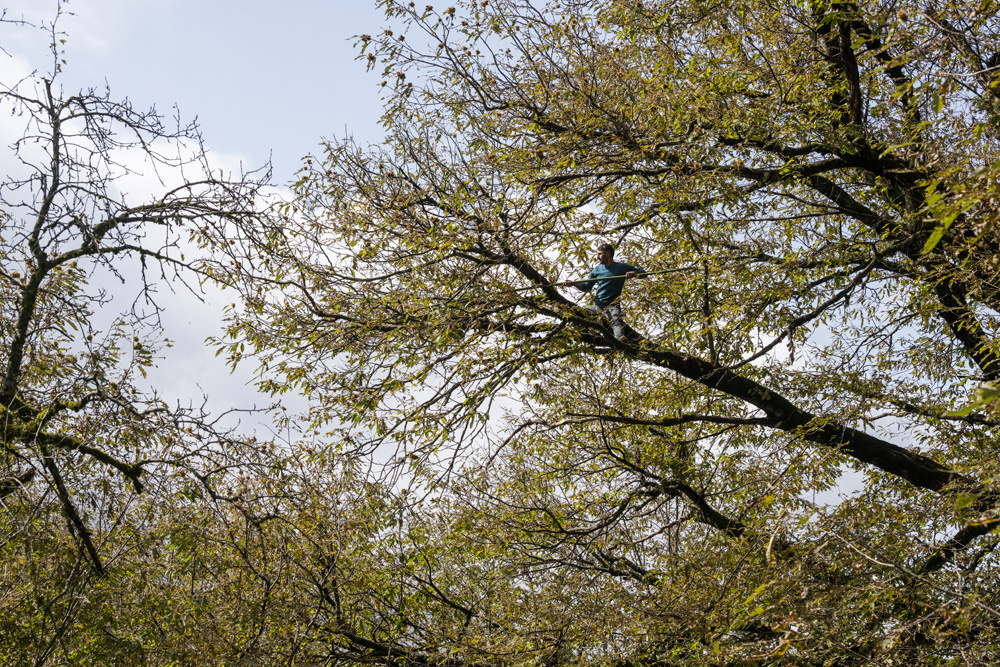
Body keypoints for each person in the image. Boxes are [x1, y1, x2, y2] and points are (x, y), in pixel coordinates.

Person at [568, 242, 645, 341]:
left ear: (607, 254)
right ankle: (585, 334)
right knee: (578, 312)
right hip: (598, 306)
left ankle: (620, 339)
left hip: (613, 305)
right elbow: (586, 287)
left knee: (616, 320)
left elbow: (644, 273)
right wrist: (573, 283)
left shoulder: (621, 267)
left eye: (599, 254)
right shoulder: (597, 269)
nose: (597, 257)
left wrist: (633, 273)